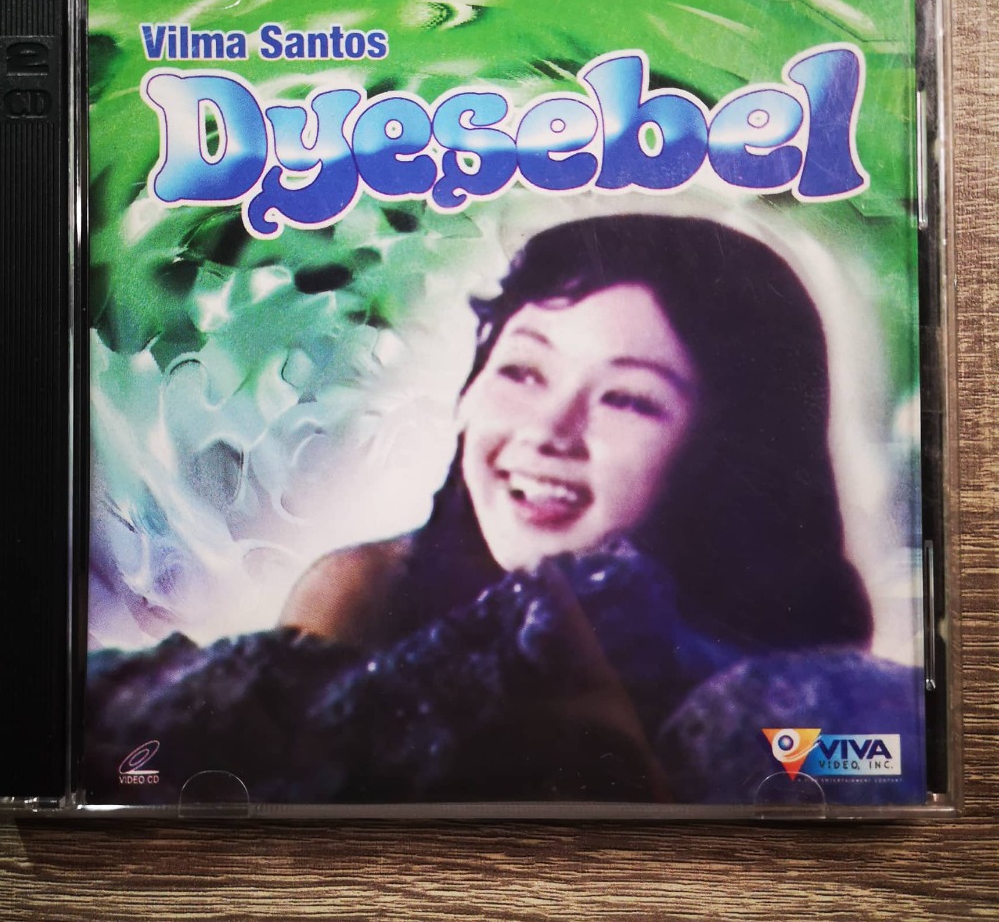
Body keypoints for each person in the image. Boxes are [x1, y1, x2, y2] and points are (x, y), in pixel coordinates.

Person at [84, 213, 923, 807]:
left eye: (628, 399)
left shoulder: (803, 690)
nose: (548, 433)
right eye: (522, 371)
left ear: (729, 453)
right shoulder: (365, 591)